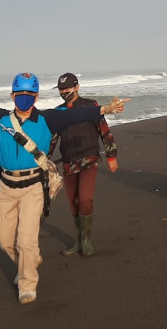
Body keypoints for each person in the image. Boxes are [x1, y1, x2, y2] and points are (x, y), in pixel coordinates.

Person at [0, 74, 128, 305]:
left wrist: (107, 108)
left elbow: (75, 114)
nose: (24, 99)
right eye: (20, 95)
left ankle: (27, 284)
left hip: (33, 188)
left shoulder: (48, 120)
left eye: (29, 95)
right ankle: (28, 260)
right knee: (5, 240)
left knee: (26, 239)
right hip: (6, 187)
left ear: (36, 96)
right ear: (12, 96)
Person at [48, 73, 118, 257]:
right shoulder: (58, 112)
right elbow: (52, 139)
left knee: (85, 199)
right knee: (73, 202)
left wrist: (111, 155)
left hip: (89, 159)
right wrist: (44, 160)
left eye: (68, 88)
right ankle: (78, 239)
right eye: (61, 89)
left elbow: (104, 130)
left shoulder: (91, 106)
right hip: (68, 163)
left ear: (77, 87)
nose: (64, 92)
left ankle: (86, 239)